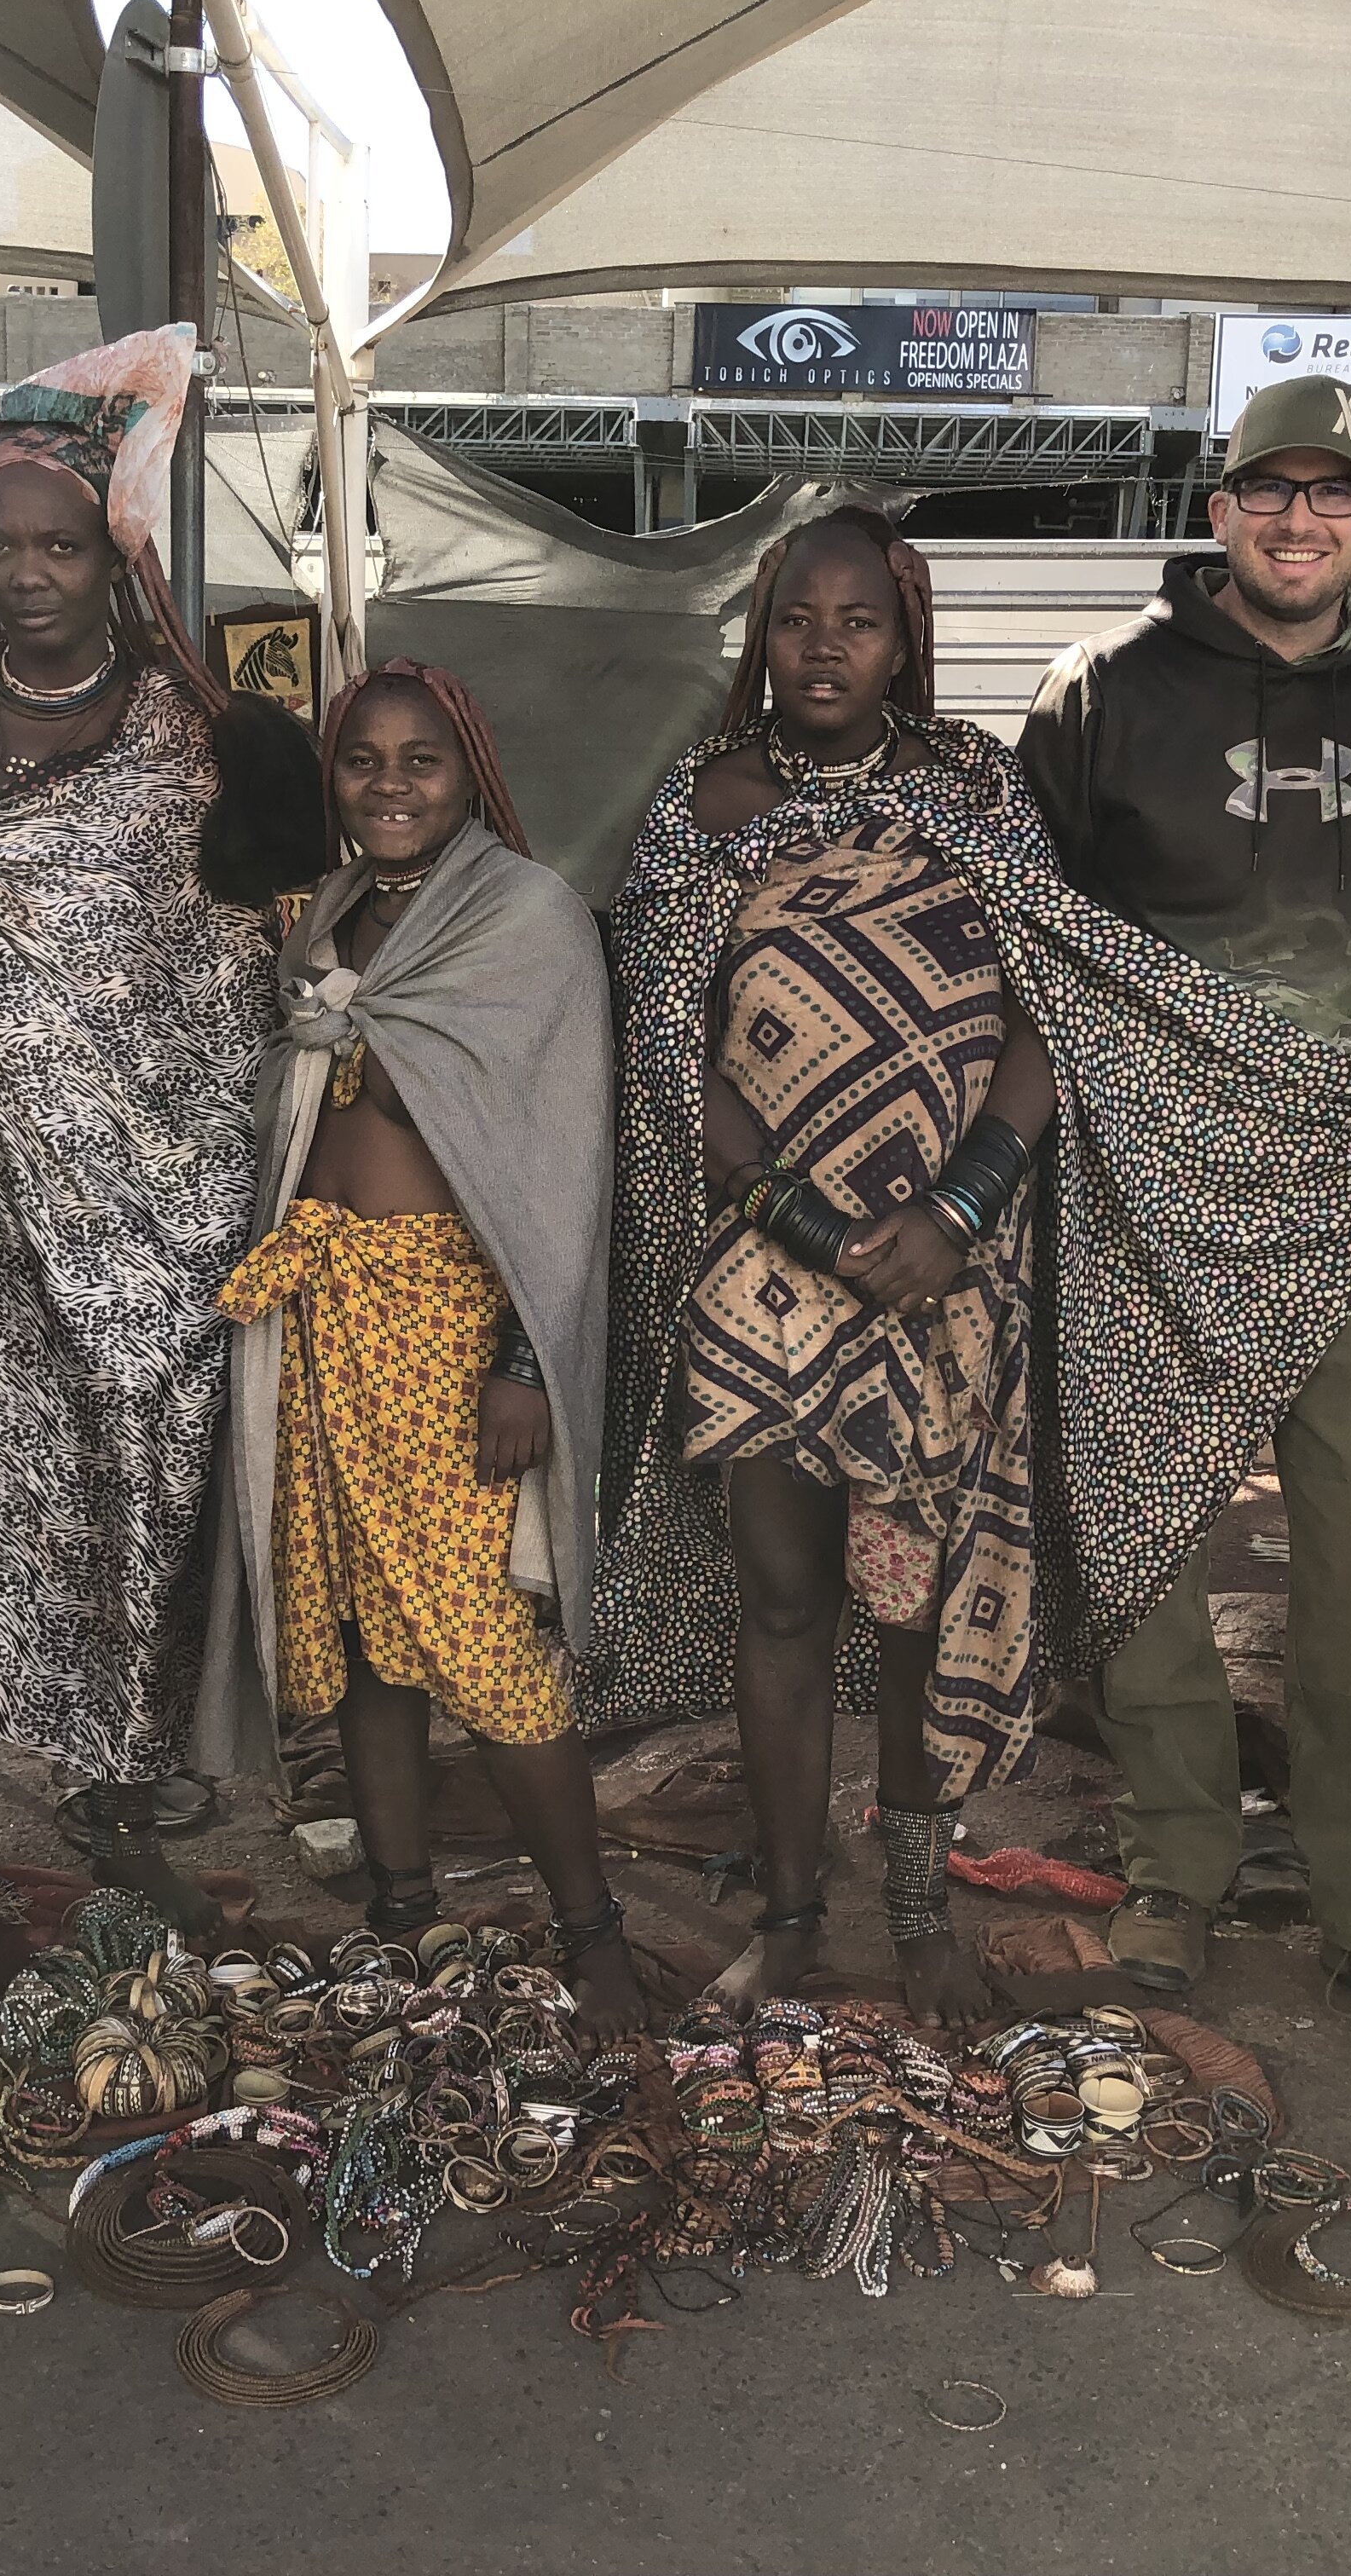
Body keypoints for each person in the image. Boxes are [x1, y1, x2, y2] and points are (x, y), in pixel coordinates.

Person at [1017, 375, 1351, 2057]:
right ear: (1217, 512)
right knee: (1146, 1544)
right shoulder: (1104, 690)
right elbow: (1029, 943)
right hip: (1144, 1197)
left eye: (1335, 494)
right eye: (1270, 491)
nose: (1302, 521)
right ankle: (1173, 1873)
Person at [0, 326, 287, 1941]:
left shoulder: (182, 735)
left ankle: (107, 1796)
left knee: (132, 1490)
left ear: (117, 557)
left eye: (62, 546)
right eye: (2, 544)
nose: (30, 575)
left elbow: (234, 967)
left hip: (149, 1203)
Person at [591, 509, 1058, 2026]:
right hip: (771, 1268)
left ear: (906, 634)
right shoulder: (703, 805)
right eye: (799, 617)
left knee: (917, 1601)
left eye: (860, 620)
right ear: (762, 631)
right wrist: (800, 1221)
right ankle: (792, 1916)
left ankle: (919, 1910)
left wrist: (965, 1206)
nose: (825, 647)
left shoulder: (979, 788)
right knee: (783, 1605)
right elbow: (670, 1043)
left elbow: (1055, 1016)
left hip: (950, 1265)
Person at [198, 661, 642, 2036]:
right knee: (357, 1629)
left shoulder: (526, 918)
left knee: (474, 1633)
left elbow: (556, 1162)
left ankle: (594, 1929)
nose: (389, 788)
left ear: (472, 773)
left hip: (446, 1322)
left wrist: (522, 1356)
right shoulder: (331, 913)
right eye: (362, 763)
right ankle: (400, 1903)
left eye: (422, 763)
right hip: (320, 1309)